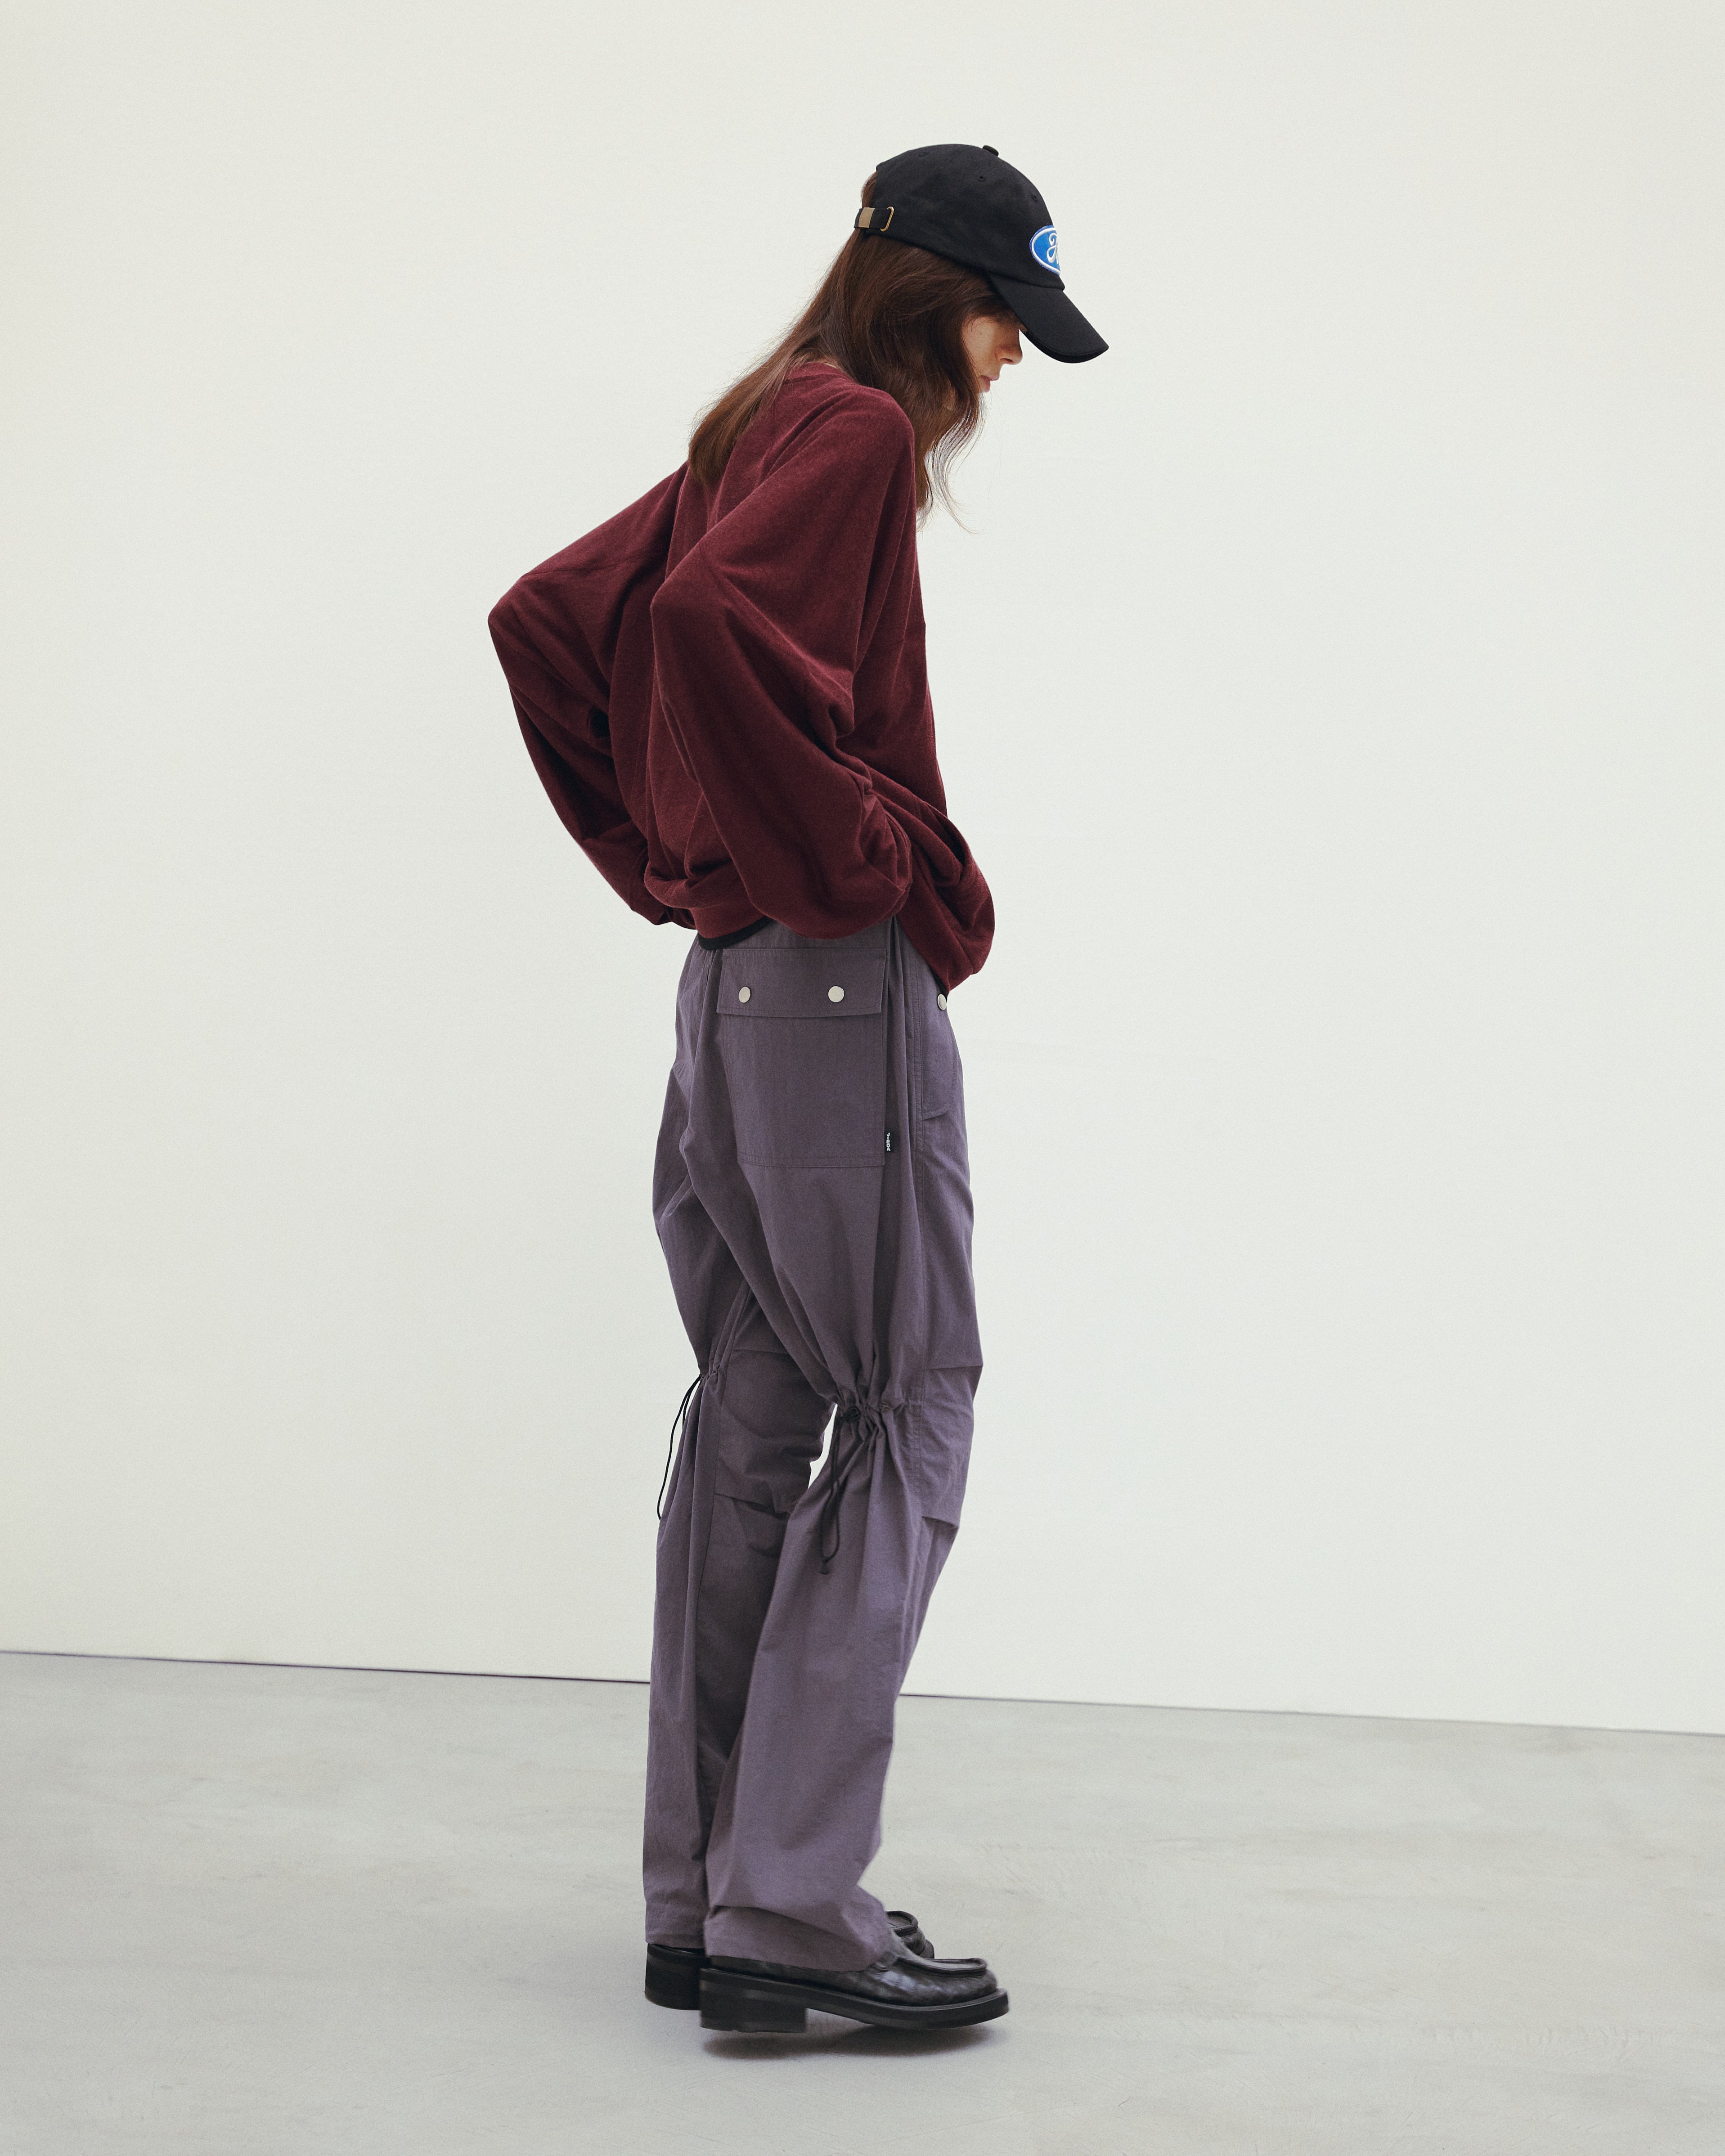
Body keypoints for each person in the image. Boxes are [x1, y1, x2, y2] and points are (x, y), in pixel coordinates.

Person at [488, 142, 1105, 2037]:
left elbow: (549, 620)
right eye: (1004, 318)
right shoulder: (846, 430)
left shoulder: (758, 418)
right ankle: (791, 1907)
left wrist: (678, 864)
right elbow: (689, 632)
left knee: (763, 1398)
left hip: (734, 990)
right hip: (828, 990)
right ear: (932, 295)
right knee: (912, 1401)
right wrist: (850, 857)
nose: (1010, 362)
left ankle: (708, 1902)